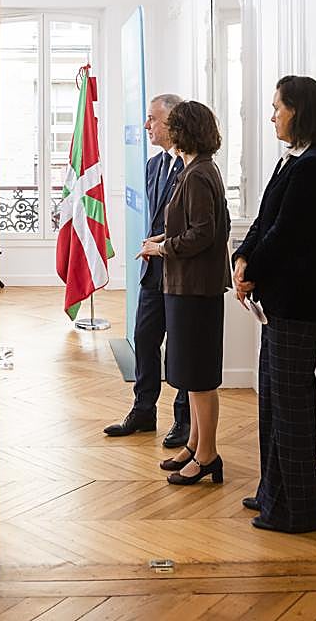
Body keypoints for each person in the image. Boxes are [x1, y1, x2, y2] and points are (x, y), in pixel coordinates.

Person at [232, 75, 316, 533]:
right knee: (273, 404)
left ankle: (297, 510)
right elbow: (265, 221)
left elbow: (287, 235)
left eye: (277, 107)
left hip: (299, 303)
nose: (272, 116)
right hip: (281, 301)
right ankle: (272, 494)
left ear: (298, 110)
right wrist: (242, 258)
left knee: (290, 408)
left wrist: (251, 270)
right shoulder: (295, 160)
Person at [143, 101, 231, 484]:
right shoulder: (197, 169)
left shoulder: (197, 174)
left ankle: (208, 455)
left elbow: (203, 233)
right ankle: (195, 445)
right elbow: (192, 225)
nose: (168, 132)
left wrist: (164, 248)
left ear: (185, 131)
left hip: (196, 288)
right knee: (191, 374)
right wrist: (160, 239)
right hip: (187, 286)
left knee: (200, 377)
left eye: (173, 126)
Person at [104, 94, 191, 447]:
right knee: (144, 337)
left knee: (181, 347)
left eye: (152, 118)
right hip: (154, 268)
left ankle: (184, 419)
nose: (146, 125)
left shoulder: (193, 166)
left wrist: (163, 245)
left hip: (183, 271)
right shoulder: (154, 164)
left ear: (172, 121)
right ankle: (143, 410)